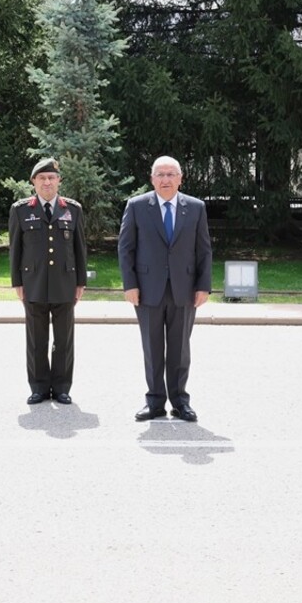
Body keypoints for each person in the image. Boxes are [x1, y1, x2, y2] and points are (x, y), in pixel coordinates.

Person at [118, 156, 213, 422]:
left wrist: (203, 286)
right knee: (152, 348)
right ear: (152, 179)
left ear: (180, 178)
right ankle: (155, 402)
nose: (166, 180)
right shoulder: (137, 206)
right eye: (160, 174)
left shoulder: (195, 208)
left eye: (171, 174)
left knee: (180, 349)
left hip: (184, 290)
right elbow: (126, 249)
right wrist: (130, 285)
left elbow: (203, 250)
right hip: (147, 290)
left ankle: (180, 401)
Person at [9, 158, 88, 405]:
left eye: (51, 178)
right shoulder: (21, 210)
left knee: (64, 339)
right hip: (33, 283)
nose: (47, 182)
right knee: (36, 340)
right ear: (33, 182)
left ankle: (62, 387)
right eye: (41, 178)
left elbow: (80, 248)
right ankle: (39, 388)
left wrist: (80, 281)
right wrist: (17, 282)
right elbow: (15, 249)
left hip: (65, 283)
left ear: (59, 181)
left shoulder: (72, 209)